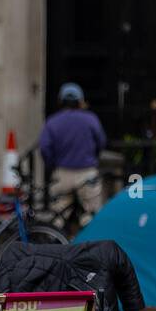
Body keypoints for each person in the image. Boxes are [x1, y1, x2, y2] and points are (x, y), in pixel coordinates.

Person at [37, 82, 106, 224]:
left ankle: (56, 243)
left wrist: (52, 164)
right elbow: (101, 142)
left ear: (60, 101)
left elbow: (44, 148)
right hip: (87, 173)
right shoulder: (90, 119)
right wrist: (93, 157)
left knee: (57, 218)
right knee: (91, 218)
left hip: (62, 173)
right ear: (80, 101)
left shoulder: (52, 122)